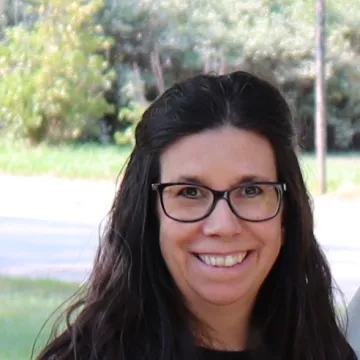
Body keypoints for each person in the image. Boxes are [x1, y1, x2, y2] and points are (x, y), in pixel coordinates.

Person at [36, 71, 358, 360]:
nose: (223, 226)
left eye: (251, 191)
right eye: (189, 193)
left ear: (287, 215)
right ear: (149, 215)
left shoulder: (326, 351)